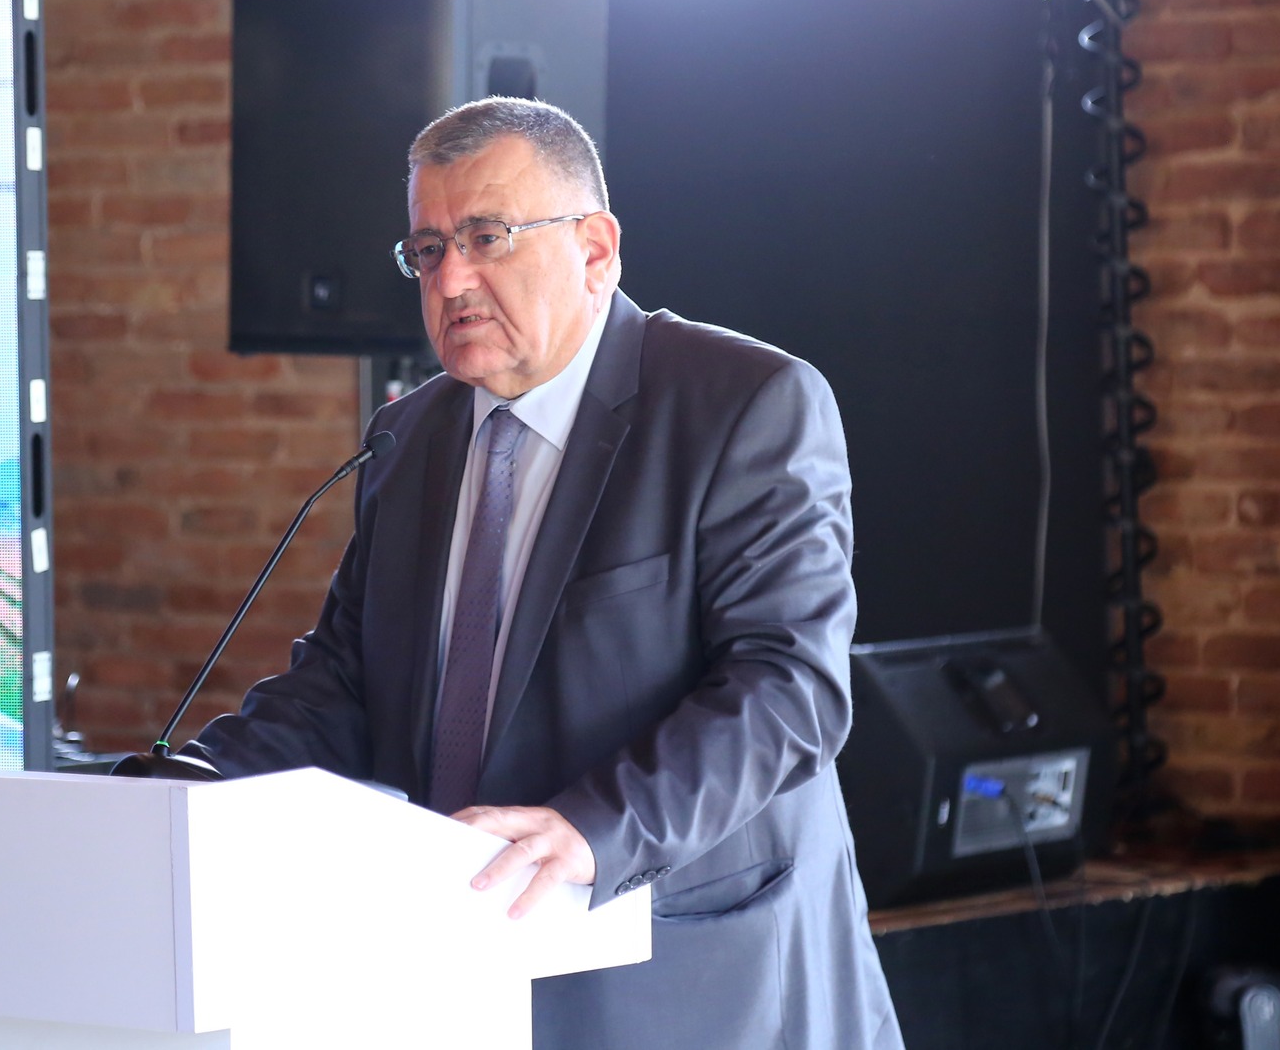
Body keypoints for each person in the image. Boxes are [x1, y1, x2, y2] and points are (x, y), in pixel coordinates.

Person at [190, 97, 902, 1050]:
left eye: (487, 237)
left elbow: (788, 690)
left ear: (596, 250)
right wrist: (185, 786)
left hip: (686, 971)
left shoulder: (744, 403)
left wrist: (593, 827)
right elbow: (344, 684)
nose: (452, 279)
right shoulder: (407, 436)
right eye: (428, 250)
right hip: (454, 975)